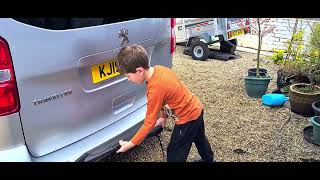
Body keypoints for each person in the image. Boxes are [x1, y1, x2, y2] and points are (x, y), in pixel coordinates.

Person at [115, 44, 214, 162]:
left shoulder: (155, 89)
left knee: (174, 152)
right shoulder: (159, 69)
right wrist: (163, 118)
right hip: (196, 108)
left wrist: (130, 144)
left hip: (187, 118)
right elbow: (165, 99)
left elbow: (149, 123)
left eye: (128, 76)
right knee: (199, 138)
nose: (128, 79)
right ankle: (209, 159)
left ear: (139, 71)